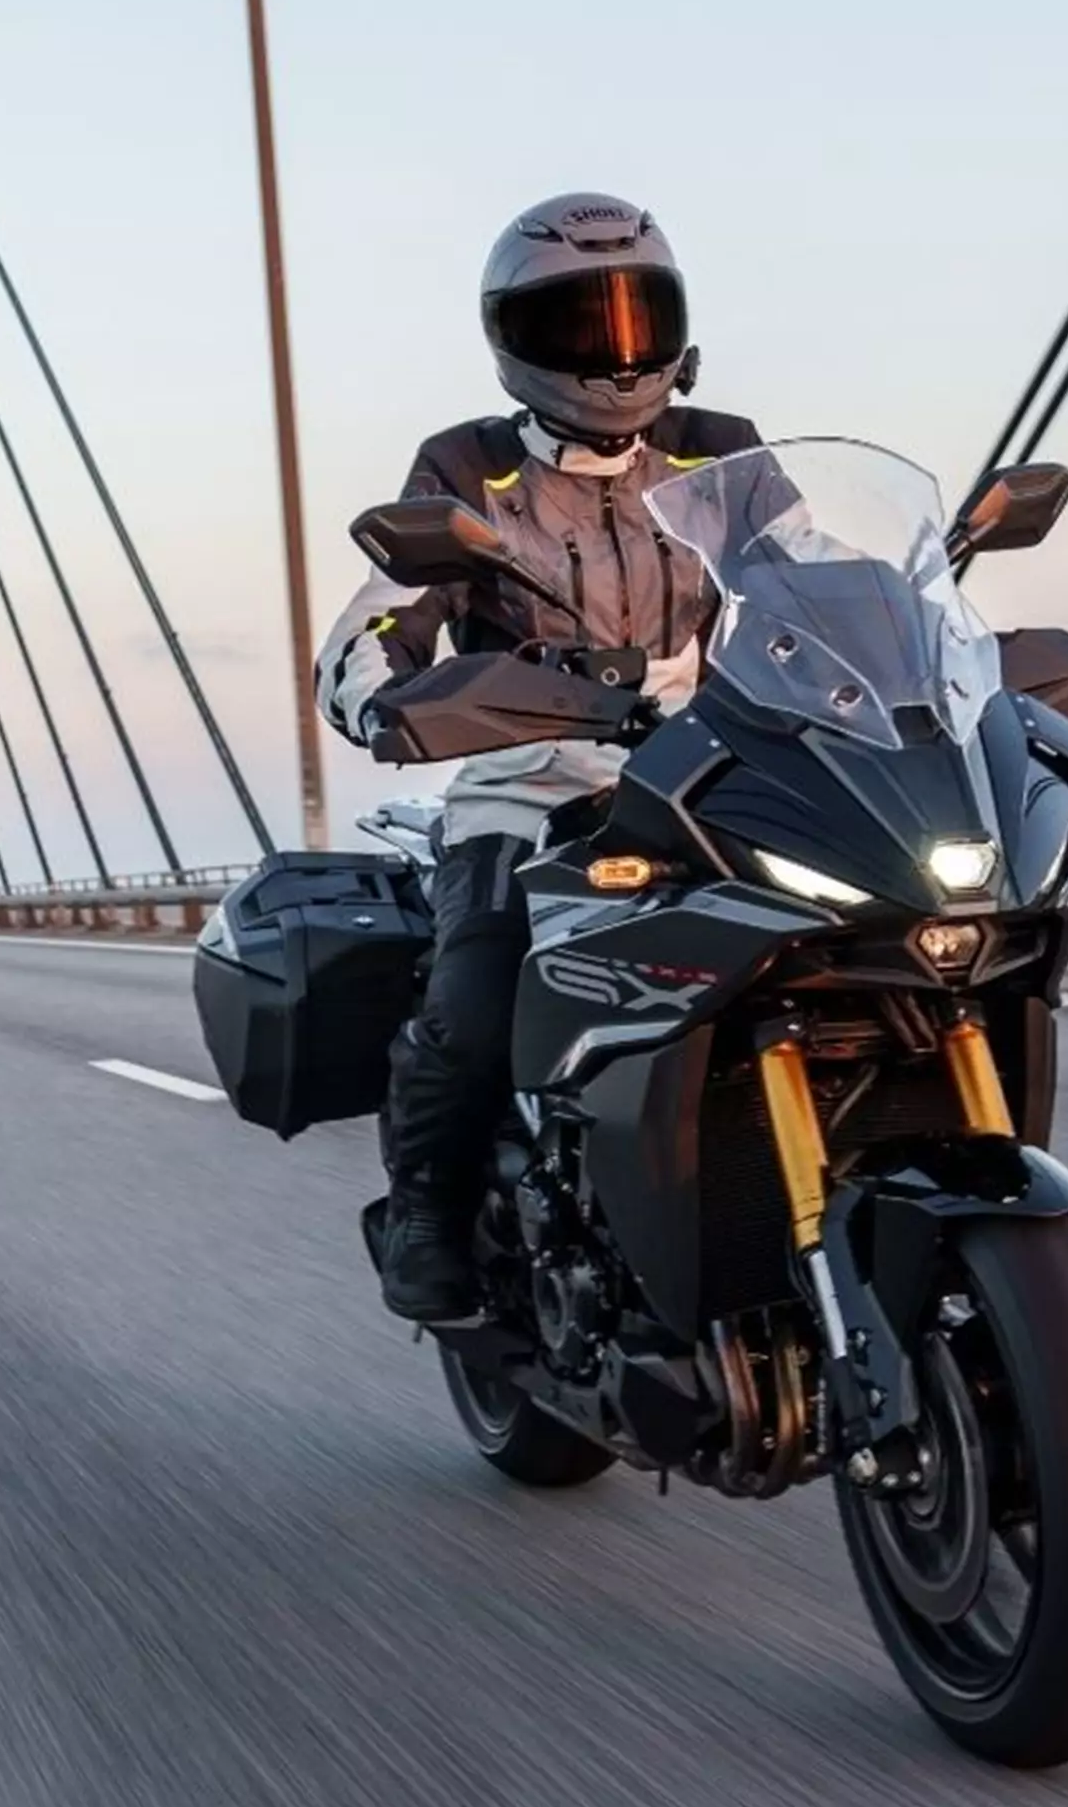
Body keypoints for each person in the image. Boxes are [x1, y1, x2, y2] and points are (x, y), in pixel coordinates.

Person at [311, 193, 760, 1321]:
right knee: (475, 1000)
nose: (615, 352)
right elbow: (374, 628)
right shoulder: (466, 470)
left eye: (637, 314)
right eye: (578, 324)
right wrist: (387, 701)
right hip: (534, 786)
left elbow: (825, 576)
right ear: (515, 340)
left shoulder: (725, 453)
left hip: (717, 780)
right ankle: (424, 1209)